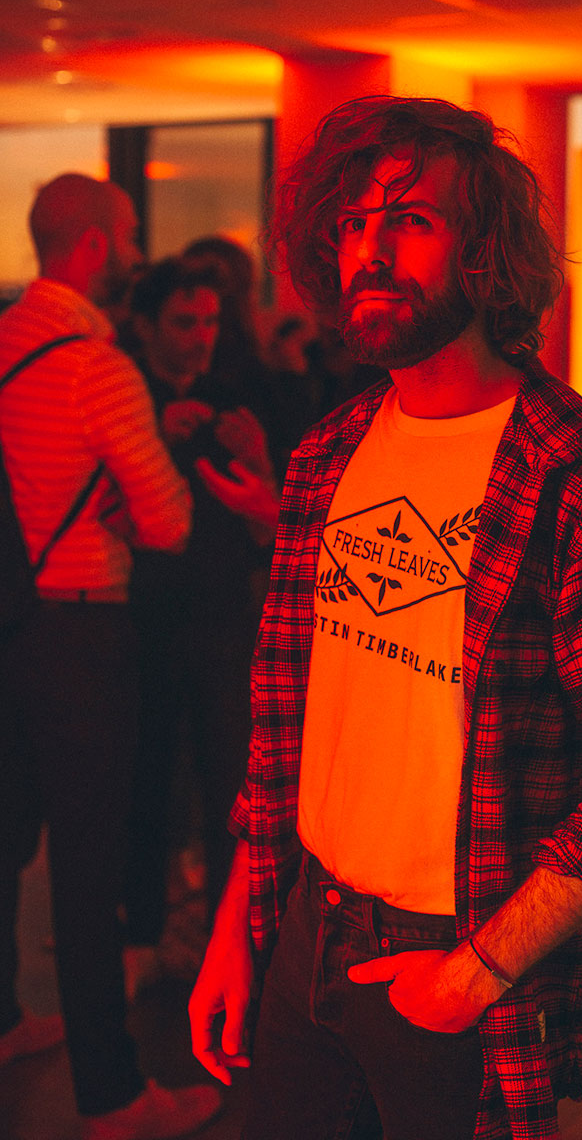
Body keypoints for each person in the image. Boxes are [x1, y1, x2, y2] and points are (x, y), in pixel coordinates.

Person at [189, 96, 582, 1140]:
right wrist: (235, 927)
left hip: (457, 956)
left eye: (409, 220)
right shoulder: (326, 454)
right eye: (351, 223)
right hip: (304, 924)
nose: (369, 253)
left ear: (485, 253)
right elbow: (285, 721)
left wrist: (473, 973)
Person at [0, 174, 221, 1140]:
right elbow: (169, 520)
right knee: (89, 868)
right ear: (92, 245)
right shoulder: (98, 367)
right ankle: (113, 1094)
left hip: (9, 620)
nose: (136, 250)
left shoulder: (6, 339)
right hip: (83, 632)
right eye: (128, 234)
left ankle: (4, 1018)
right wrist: (136, 486)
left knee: (6, 837)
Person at [123, 257, 278, 996]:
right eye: (185, 322)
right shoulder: (127, 398)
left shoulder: (236, 401)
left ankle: (230, 939)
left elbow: (270, 531)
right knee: (147, 778)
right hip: (146, 618)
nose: (201, 336)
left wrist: (260, 461)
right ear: (147, 326)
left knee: (229, 785)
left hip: (221, 618)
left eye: (211, 321)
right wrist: (151, 438)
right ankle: (141, 933)